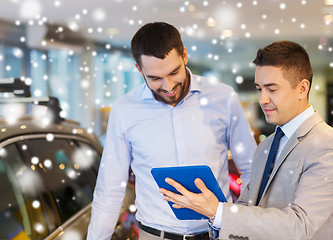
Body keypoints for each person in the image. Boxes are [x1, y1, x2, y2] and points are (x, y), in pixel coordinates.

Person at [160, 40, 333, 240]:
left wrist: (218, 212)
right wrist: (214, 215)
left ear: (302, 88)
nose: (262, 99)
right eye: (259, 89)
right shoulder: (266, 146)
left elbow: (301, 227)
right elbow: (247, 207)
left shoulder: (331, 147)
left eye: (272, 89)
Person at [87, 22, 257, 240]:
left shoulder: (223, 98)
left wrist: (239, 221)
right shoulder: (124, 110)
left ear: (184, 55)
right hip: (154, 235)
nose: (167, 87)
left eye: (173, 72)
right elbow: (109, 189)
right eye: (155, 78)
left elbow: (253, 170)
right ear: (139, 70)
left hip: (217, 234)